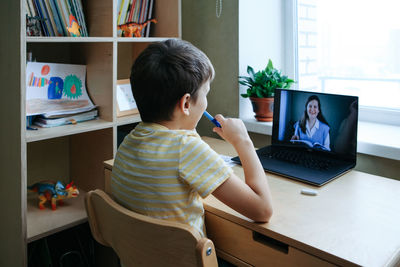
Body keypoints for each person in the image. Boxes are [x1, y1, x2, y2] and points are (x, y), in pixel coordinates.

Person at [111, 39, 273, 237]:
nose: (206, 102)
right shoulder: (186, 149)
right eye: (205, 94)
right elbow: (262, 210)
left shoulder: (129, 141)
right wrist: (243, 141)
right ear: (186, 103)